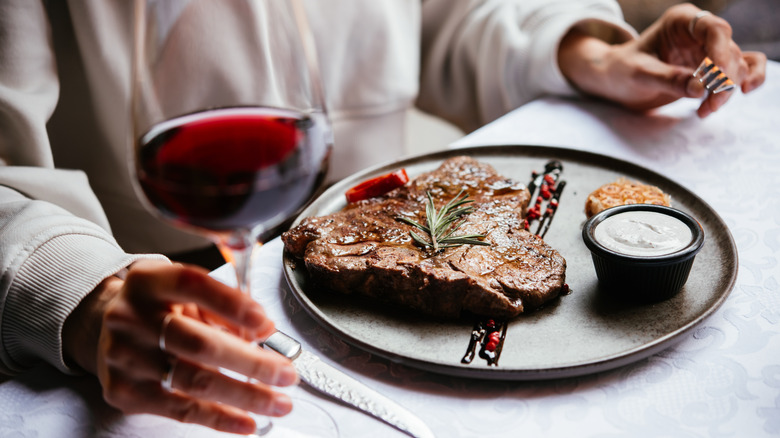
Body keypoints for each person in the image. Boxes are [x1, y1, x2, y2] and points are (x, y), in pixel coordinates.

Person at [0, 0, 766, 435]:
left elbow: (446, 14)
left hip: (385, 260)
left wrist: (581, 50)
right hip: (148, 311)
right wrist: (82, 293)